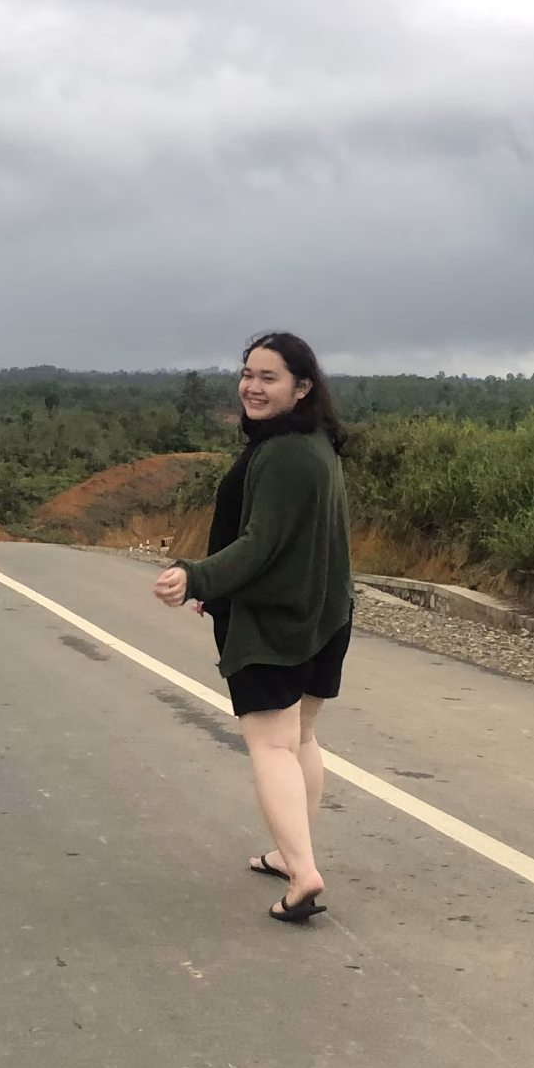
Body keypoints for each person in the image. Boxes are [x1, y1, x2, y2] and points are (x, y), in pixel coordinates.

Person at [153, 333, 353, 924]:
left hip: (277, 622)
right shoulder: (313, 444)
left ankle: (303, 873)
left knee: (271, 745)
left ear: (302, 386)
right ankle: (291, 854)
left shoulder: (286, 454)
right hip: (324, 613)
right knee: (301, 739)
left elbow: (259, 544)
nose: (252, 386)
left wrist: (197, 577)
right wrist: (218, 590)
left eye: (269, 377)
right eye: (248, 374)